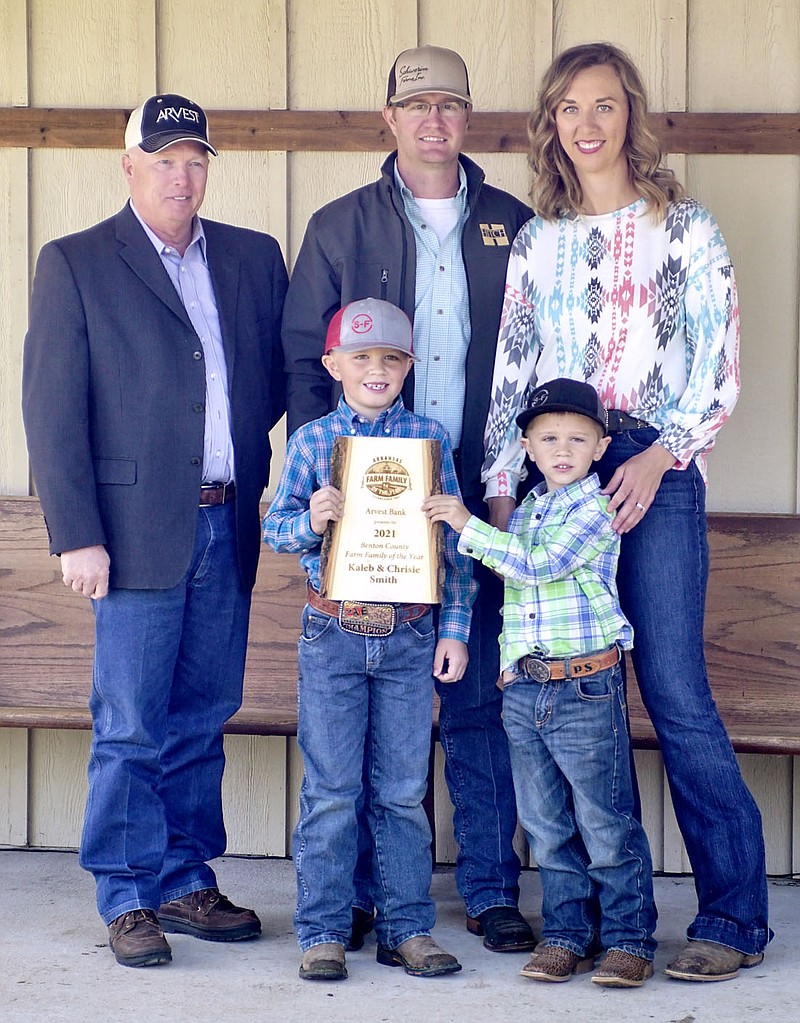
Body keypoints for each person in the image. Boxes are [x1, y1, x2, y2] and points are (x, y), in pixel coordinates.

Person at [482, 42, 770, 981]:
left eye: (604, 105)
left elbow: (718, 369)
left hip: (653, 464)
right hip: (554, 476)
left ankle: (732, 915)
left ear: (629, 116)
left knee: (676, 690)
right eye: (569, 108)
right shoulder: (538, 239)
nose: (588, 123)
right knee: (557, 690)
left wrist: (656, 454)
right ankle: (590, 919)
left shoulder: (685, 228)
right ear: (551, 126)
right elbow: (513, 371)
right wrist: (499, 481)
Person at [22, 94, 288, 968]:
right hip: (130, 533)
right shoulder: (77, 263)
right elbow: (53, 411)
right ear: (128, 164)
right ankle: (127, 893)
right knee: (131, 719)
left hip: (226, 520)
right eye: (165, 157)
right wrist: (77, 533)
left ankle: (183, 877)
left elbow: (275, 381)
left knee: (203, 714)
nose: (183, 174)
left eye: (196, 158)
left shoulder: (252, 258)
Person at [281, 44, 536, 954]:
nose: (434, 119)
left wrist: (516, 484)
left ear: (469, 120)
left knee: (473, 688)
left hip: (480, 488)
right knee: (364, 744)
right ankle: (357, 901)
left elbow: (539, 362)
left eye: (451, 105)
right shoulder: (341, 223)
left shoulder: (513, 222)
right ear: (389, 118)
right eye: (416, 104)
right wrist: (331, 482)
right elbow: (302, 369)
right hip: (373, 492)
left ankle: (491, 887)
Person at [264, 297, 476, 981]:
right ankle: (323, 927)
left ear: (410, 364)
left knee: (402, 787)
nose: (376, 369)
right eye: (361, 357)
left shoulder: (430, 440)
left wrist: (456, 629)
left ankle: (407, 925)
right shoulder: (312, 442)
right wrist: (311, 520)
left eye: (391, 357)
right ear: (334, 364)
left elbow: (455, 551)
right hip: (332, 628)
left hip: (410, 634)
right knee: (330, 786)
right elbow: (274, 529)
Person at [426, 377, 657, 988]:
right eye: (548, 437)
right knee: (546, 822)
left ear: (600, 447)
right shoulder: (527, 510)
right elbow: (515, 602)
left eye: (577, 438)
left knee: (603, 819)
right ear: (527, 446)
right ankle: (565, 932)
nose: (562, 448)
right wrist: (507, 666)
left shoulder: (593, 508)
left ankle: (629, 937)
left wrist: (465, 524)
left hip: (584, 685)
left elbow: (540, 566)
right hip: (527, 687)